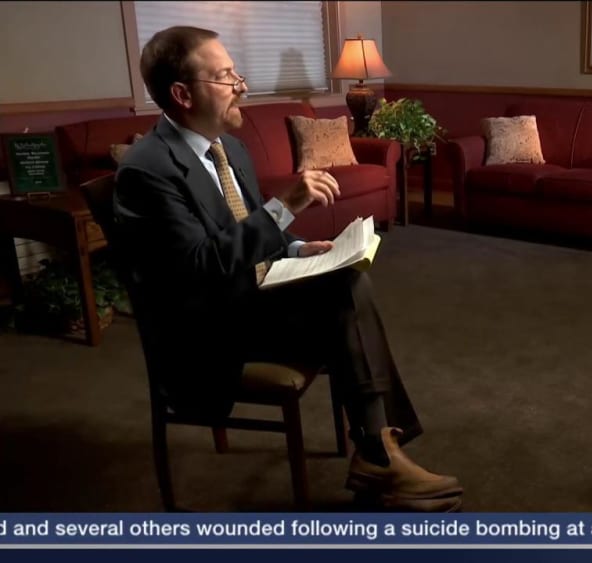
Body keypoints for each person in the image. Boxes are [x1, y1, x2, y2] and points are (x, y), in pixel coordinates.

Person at [113, 26, 462, 511]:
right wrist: (285, 207)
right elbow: (200, 266)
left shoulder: (230, 148)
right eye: (226, 77)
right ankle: (379, 453)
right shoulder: (147, 170)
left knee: (345, 278)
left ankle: (377, 450)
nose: (242, 86)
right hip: (205, 329)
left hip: (249, 297)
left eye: (236, 73)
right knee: (345, 297)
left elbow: (246, 225)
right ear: (182, 94)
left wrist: (298, 249)